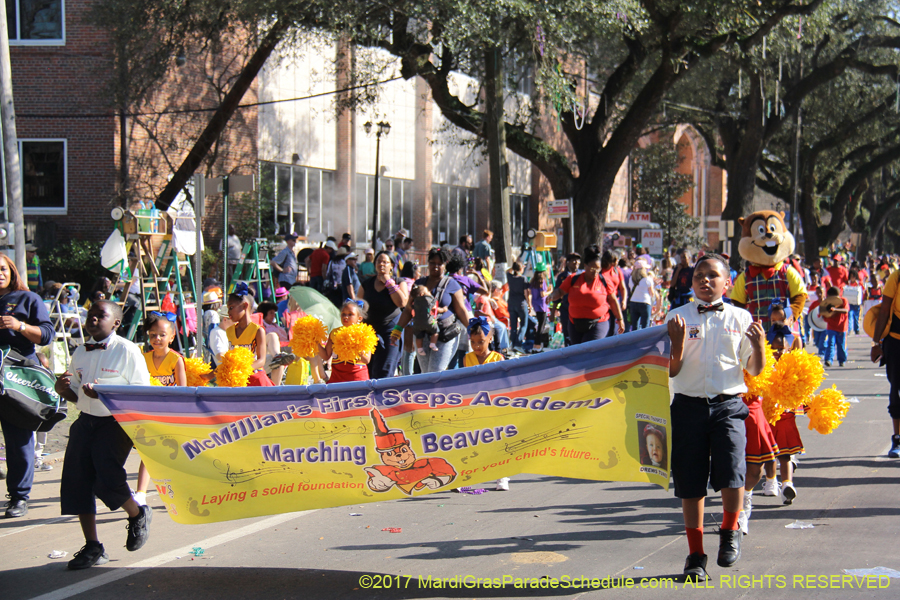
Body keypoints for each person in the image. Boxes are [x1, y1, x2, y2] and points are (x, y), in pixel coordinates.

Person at [665, 253, 766, 581]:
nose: (705, 281)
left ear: (727, 282)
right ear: (691, 282)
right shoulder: (677, 316)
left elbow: (754, 370)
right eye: (699, 276)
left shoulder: (740, 317)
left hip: (727, 406)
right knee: (690, 483)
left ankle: (729, 530)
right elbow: (671, 370)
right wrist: (677, 346)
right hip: (688, 406)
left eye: (713, 276)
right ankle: (695, 555)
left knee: (732, 472)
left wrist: (760, 347)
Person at [54, 301, 153, 569]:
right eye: (91, 315)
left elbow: (142, 393)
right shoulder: (80, 352)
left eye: (101, 315)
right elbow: (75, 392)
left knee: (106, 478)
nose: (94, 319)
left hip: (114, 423)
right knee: (78, 482)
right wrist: (64, 391)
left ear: (117, 323)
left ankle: (137, 513)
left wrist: (105, 394)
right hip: (85, 422)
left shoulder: (127, 351)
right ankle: (93, 546)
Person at [0, 254, 55, 517]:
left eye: (2, 269)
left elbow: (46, 334)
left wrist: (19, 325)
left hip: (17, 378)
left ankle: (19, 497)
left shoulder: (27, 299)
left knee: (18, 440)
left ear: (11, 272)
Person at [392, 248, 472, 373]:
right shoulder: (419, 284)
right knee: (426, 374)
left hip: (444, 335)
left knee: (436, 372)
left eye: (439, 264)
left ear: (445, 265)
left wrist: (472, 330)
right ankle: (432, 393)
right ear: (428, 263)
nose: (435, 266)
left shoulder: (452, 284)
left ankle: (440, 392)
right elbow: (408, 309)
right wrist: (397, 330)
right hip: (421, 336)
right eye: (432, 263)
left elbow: (461, 310)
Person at [136, 312, 187, 505]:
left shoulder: (176, 360)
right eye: (152, 335)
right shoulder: (143, 358)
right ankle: (140, 492)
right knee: (147, 451)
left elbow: (183, 390)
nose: (157, 339)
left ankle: (179, 488)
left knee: (173, 455)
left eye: (162, 335)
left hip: (171, 413)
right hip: (150, 413)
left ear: (172, 337)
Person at [549, 244, 625, 344]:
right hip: (575, 323)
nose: (595, 272)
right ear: (585, 266)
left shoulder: (604, 281)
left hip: (598, 322)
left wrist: (620, 319)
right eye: (592, 269)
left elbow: (613, 300)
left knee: (588, 348)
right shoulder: (573, 278)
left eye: (598, 269)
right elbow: (560, 291)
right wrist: (552, 296)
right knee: (576, 351)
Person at [358, 250, 408, 379]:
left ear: (391, 265)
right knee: (369, 370)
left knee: (385, 371)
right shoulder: (366, 284)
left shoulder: (399, 281)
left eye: (385, 262)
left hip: (390, 331)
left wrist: (388, 282)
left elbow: (402, 302)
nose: (381, 264)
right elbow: (358, 307)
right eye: (379, 261)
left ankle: (385, 398)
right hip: (369, 332)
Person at [768, 334, 805, 506]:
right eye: (774, 349)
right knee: (772, 455)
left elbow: (803, 390)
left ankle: (785, 485)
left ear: (789, 349)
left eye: (781, 348)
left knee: (784, 455)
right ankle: (773, 482)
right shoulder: (764, 365)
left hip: (785, 418)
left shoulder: (794, 368)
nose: (778, 352)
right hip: (767, 417)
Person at [224, 284, 274, 386]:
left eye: (231, 307)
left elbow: (261, 360)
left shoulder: (258, 330)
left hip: (256, 380)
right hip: (237, 381)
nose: (228, 312)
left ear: (244, 306)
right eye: (228, 308)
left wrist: (242, 370)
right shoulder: (229, 331)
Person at [321, 300, 372, 382]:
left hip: (357, 378)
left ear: (359, 318)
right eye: (343, 314)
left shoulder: (364, 334)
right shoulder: (334, 333)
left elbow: (366, 359)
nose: (346, 317)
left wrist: (354, 343)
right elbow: (326, 355)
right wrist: (315, 342)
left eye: (350, 314)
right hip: (337, 378)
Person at [553, 253, 581, 346]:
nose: (576, 262)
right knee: (568, 333)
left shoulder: (583, 274)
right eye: (573, 260)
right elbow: (557, 292)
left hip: (580, 309)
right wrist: (553, 310)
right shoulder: (562, 276)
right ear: (567, 262)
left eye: (578, 260)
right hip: (566, 309)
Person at [409, 285, 443, 355]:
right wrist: (443, 309)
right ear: (422, 294)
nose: (429, 292)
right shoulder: (428, 299)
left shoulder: (414, 302)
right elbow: (434, 308)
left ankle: (419, 348)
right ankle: (433, 344)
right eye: (427, 291)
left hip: (417, 323)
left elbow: (411, 309)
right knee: (435, 331)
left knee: (418, 336)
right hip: (429, 322)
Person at [821, 286, 849, 367]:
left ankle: (842, 360)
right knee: (830, 343)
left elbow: (846, 310)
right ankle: (828, 360)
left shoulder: (844, 301)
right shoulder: (827, 302)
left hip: (842, 327)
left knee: (841, 345)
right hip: (831, 327)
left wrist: (835, 309)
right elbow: (823, 313)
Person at [506, 262, 531, 353]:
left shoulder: (510, 277)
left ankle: (513, 344)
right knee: (524, 324)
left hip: (511, 303)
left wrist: (513, 268)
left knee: (513, 326)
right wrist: (529, 304)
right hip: (521, 303)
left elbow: (507, 271)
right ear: (521, 269)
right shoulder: (523, 278)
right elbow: (526, 293)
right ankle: (518, 344)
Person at [529, 264, 552, 352]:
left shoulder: (533, 281)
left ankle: (536, 346)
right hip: (542, 306)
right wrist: (549, 291)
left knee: (539, 326)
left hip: (536, 305)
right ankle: (537, 346)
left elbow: (530, 292)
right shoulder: (542, 281)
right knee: (541, 327)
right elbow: (543, 294)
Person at [629, 265, 657, 331]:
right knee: (645, 327)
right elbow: (652, 294)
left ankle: (635, 340)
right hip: (645, 303)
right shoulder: (648, 279)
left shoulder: (631, 279)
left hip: (633, 302)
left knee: (635, 327)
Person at [844, 267, 864, 335]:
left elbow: (862, 291)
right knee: (849, 315)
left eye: (854, 276)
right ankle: (849, 329)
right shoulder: (847, 284)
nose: (852, 278)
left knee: (856, 316)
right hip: (849, 302)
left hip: (856, 303)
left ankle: (856, 329)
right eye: (851, 276)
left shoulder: (859, 284)